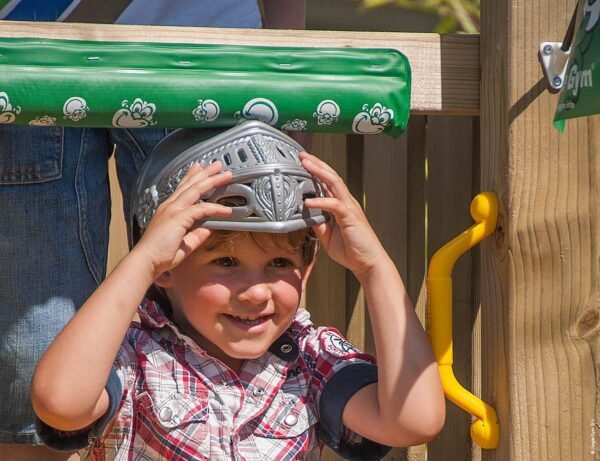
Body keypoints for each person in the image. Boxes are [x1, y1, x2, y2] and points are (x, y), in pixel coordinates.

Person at [30, 121, 445, 460]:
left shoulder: (311, 360)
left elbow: (414, 420)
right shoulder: (136, 357)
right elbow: (61, 404)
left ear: (308, 267)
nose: (255, 292)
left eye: (280, 264)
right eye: (226, 263)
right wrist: (142, 260)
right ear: (166, 267)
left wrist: (374, 268)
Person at [0, 2, 306, 460]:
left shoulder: (313, 352)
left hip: (204, 51)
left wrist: (287, 56)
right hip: (34, 43)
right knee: (37, 359)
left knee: (229, 319)